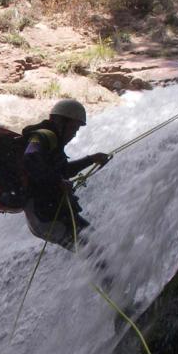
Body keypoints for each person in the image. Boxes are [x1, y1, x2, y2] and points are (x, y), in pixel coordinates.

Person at [21, 99, 110, 250]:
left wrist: (91, 159)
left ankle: (111, 274)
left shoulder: (52, 143)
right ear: (60, 122)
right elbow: (30, 158)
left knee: (97, 248)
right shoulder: (42, 136)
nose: (74, 135)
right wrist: (57, 182)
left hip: (48, 216)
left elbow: (63, 171)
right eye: (73, 128)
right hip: (47, 217)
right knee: (97, 250)